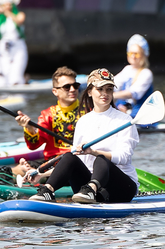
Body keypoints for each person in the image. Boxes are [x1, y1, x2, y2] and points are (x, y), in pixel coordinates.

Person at [29, 68, 138, 204]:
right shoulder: (83, 121)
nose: (105, 93)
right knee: (69, 157)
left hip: (121, 189)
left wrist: (94, 152)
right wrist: (41, 174)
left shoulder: (125, 121)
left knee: (101, 158)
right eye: (100, 89)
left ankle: (91, 189)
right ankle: (48, 190)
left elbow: (124, 157)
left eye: (109, 89)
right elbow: (73, 164)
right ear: (90, 92)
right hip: (87, 188)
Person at [0, 66, 83, 183]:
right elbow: (34, 145)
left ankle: (35, 175)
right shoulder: (48, 114)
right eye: (67, 87)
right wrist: (29, 128)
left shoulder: (88, 111)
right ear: (55, 91)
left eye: (75, 86)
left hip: (77, 162)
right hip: (52, 162)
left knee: (43, 169)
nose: (72, 89)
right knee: (22, 168)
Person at [113, 34, 153, 118]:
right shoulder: (127, 69)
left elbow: (133, 93)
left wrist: (110, 96)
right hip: (125, 112)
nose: (133, 56)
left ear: (144, 55)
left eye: (136, 54)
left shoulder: (146, 73)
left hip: (140, 116)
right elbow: (114, 84)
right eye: (131, 53)